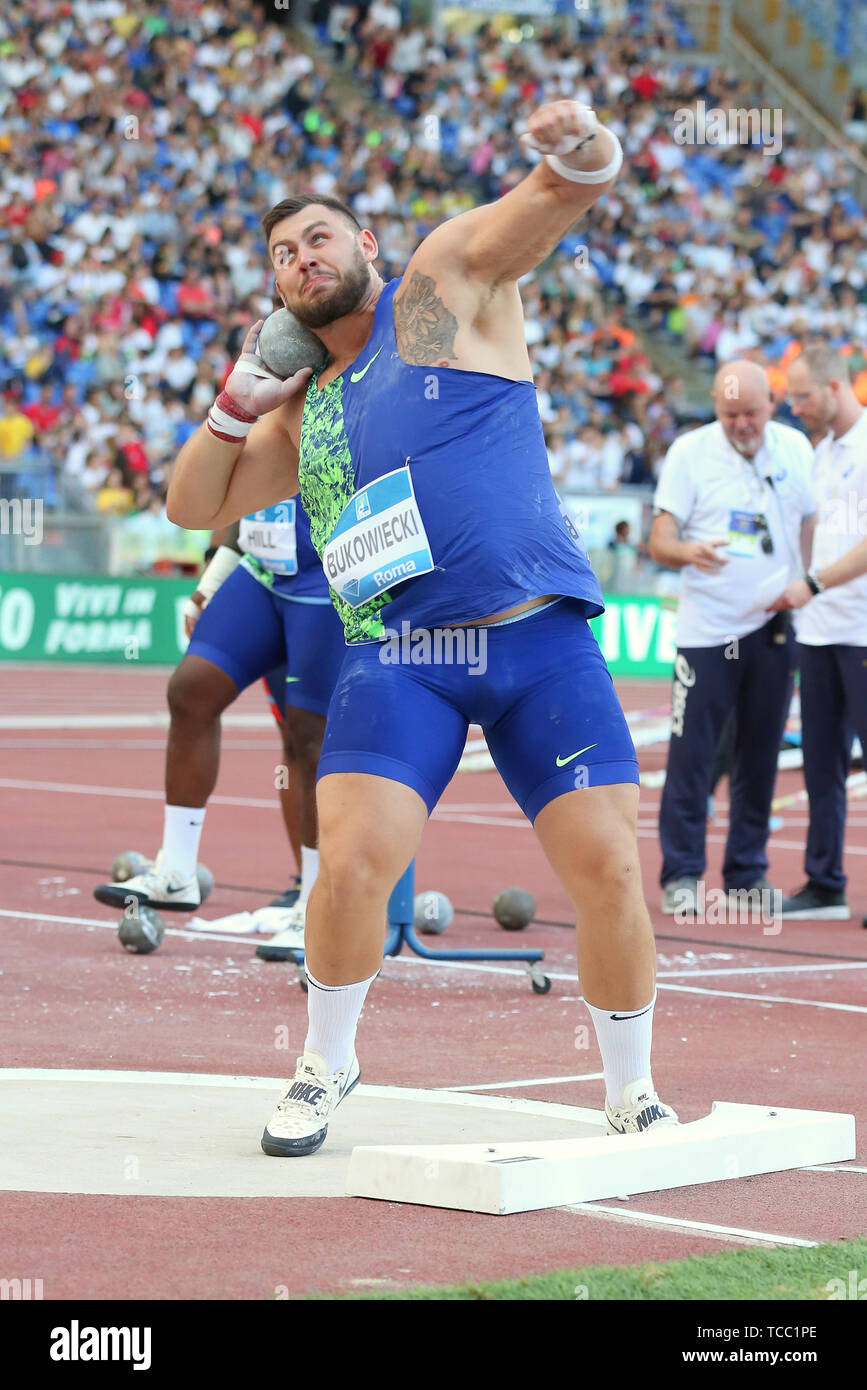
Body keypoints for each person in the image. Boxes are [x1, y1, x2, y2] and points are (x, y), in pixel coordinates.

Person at [168, 100, 681, 1156]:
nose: (302, 258)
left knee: (609, 871)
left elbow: (557, 199)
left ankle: (630, 1088)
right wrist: (233, 400)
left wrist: (582, 145)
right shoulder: (299, 411)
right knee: (351, 862)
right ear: (274, 291)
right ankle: (326, 1061)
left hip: (536, 639)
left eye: (318, 236)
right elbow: (191, 502)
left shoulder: (440, 295)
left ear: (363, 243)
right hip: (404, 658)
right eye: (280, 254)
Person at [94, 494, 346, 954]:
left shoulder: (342, 417)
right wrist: (212, 579)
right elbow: (250, 487)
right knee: (191, 691)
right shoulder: (255, 419)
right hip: (262, 571)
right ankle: (177, 872)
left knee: (310, 740)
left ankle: (315, 904)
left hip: (324, 582)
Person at [649, 361, 815, 914]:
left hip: (776, 627)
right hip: (709, 631)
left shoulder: (795, 448)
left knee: (761, 754)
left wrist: (811, 586)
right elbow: (660, 539)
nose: (741, 424)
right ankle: (682, 872)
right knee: (692, 753)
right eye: (729, 415)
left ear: (773, 401)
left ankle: (747, 869)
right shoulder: (690, 453)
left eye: (750, 413)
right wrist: (688, 552)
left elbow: (810, 524)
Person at [766, 344, 867, 919]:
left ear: (834, 387)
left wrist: (816, 582)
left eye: (802, 395)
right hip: (820, 631)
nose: (795, 406)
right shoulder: (819, 453)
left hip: (861, 630)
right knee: (821, 762)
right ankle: (826, 881)